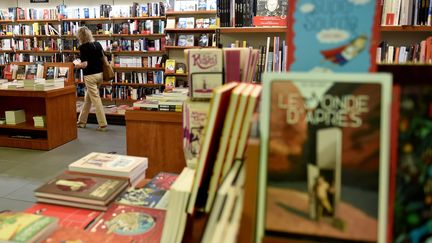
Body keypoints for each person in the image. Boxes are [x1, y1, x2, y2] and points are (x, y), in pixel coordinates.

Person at [75, 26, 108, 131]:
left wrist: (77, 65)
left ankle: (103, 124)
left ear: (80, 36)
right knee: (88, 99)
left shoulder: (83, 48)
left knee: (96, 100)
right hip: (100, 75)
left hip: (90, 76)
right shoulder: (97, 45)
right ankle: (81, 122)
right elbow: (104, 58)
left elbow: (84, 64)